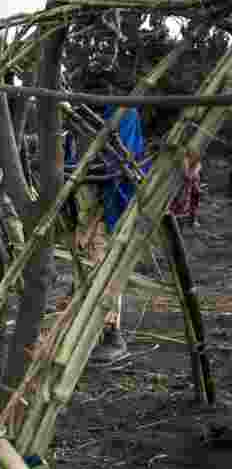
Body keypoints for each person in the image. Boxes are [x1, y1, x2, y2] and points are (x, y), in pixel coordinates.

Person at [64, 74, 148, 363]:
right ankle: (87, 330)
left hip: (110, 204)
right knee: (85, 264)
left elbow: (118, 164)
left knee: (105, 266)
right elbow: (72, 157)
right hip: (84, 205)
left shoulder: (122, 114)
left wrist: (80, 171)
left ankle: (113, 333)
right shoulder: (79, 117)